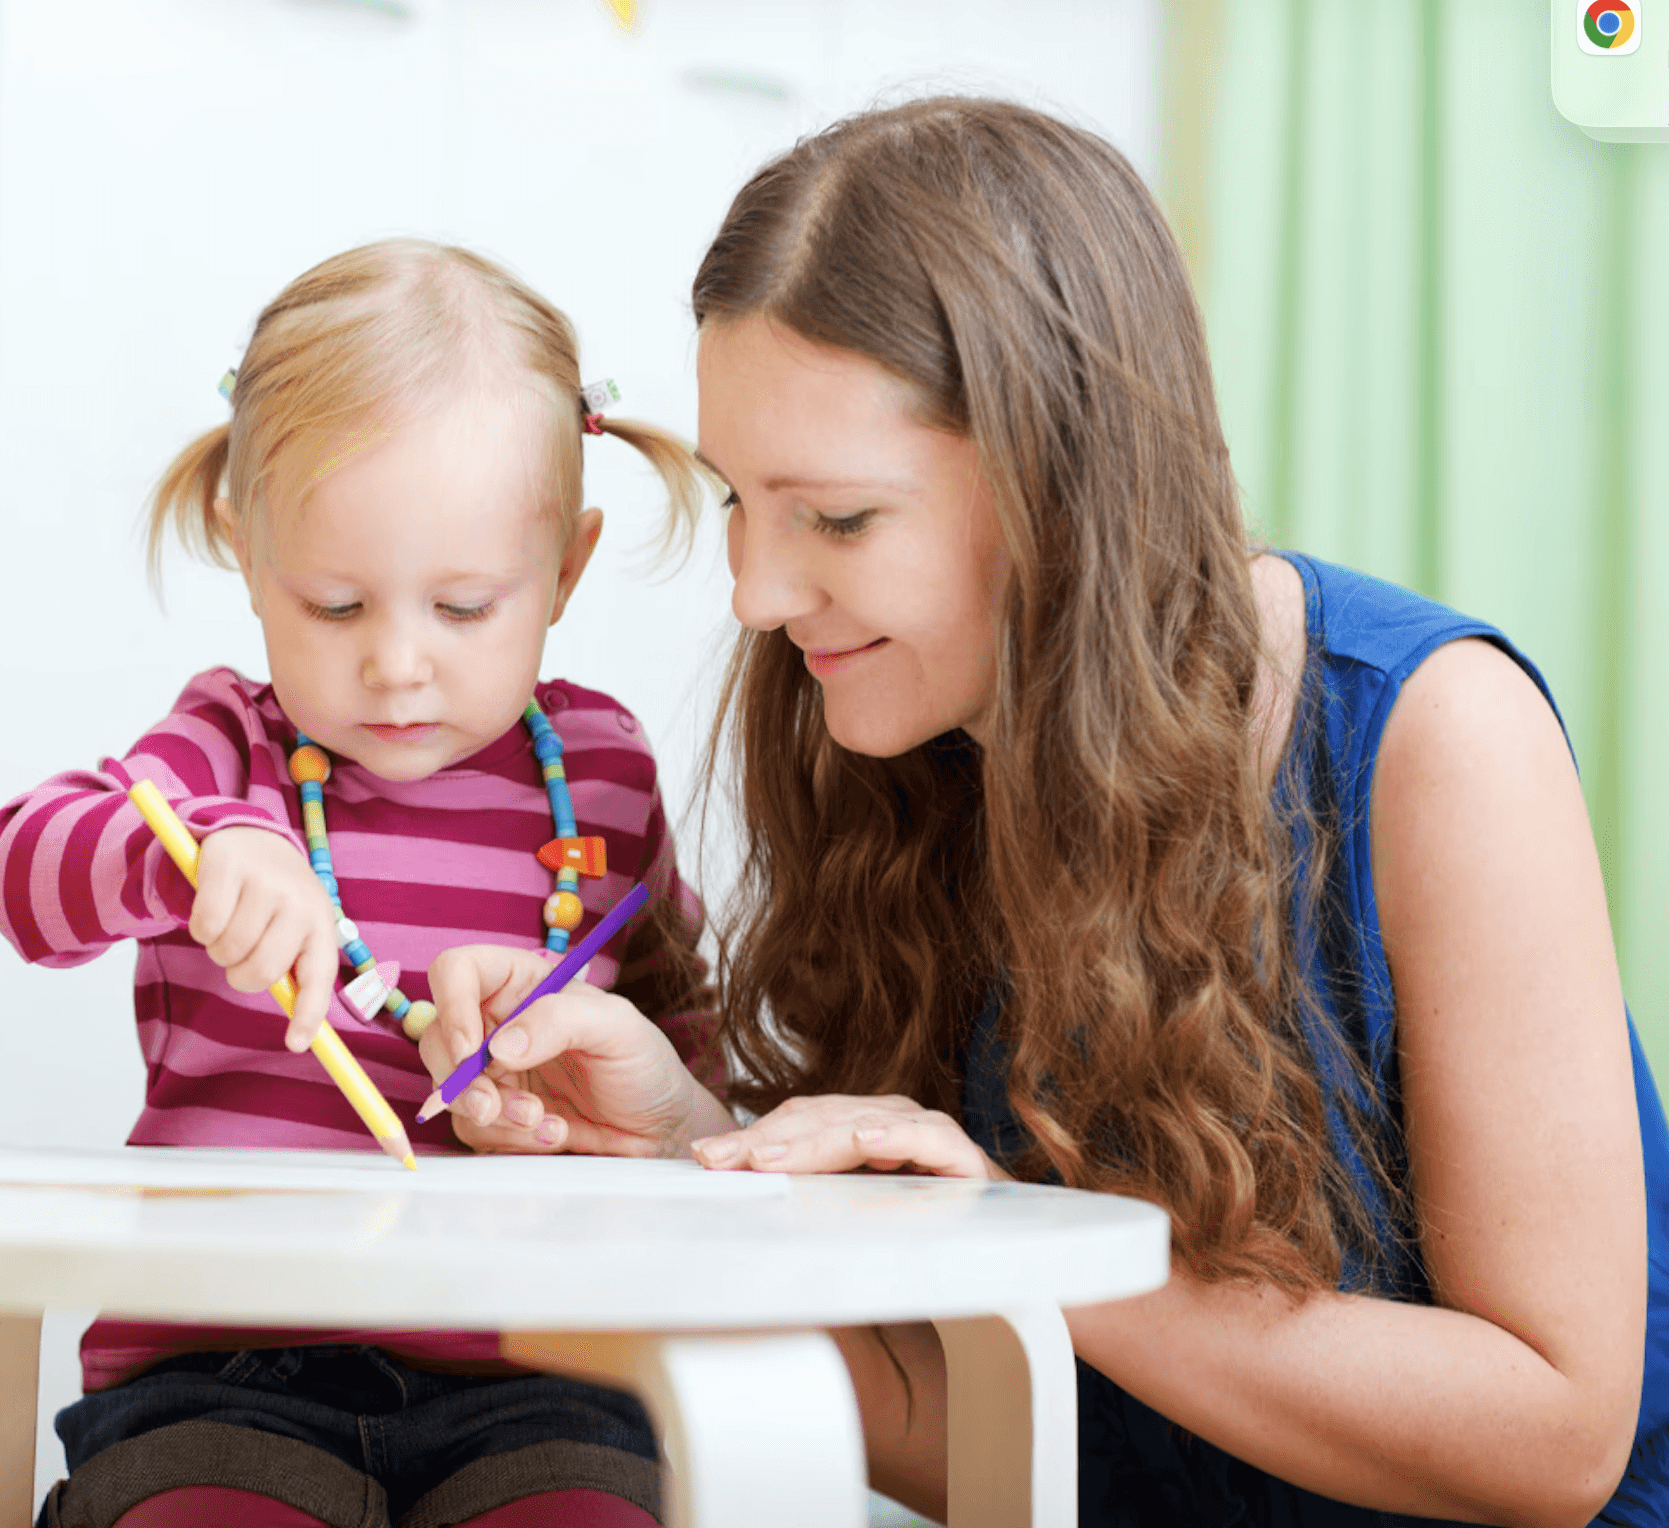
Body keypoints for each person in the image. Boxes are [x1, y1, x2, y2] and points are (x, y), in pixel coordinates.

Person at [417, 98, 1669, 1525]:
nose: (757, 594)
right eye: (738, 505)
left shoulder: (1431, 730)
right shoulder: (891, 741)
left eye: (834, 521)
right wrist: (692, 1160)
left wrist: (1019, 1242)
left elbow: (1557, 1443)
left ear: (1059, 478)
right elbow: (1006, 1446)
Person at [0, 238, 714, 1528]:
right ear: (244, 551)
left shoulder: (600, 775)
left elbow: (682, 1055)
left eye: (466, 606)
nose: (396, 666)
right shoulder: (227, 750)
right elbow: (24, 874)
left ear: (568, 571)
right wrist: (192, 851)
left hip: (544, 1369)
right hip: (221, 1369)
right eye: (332, 605)